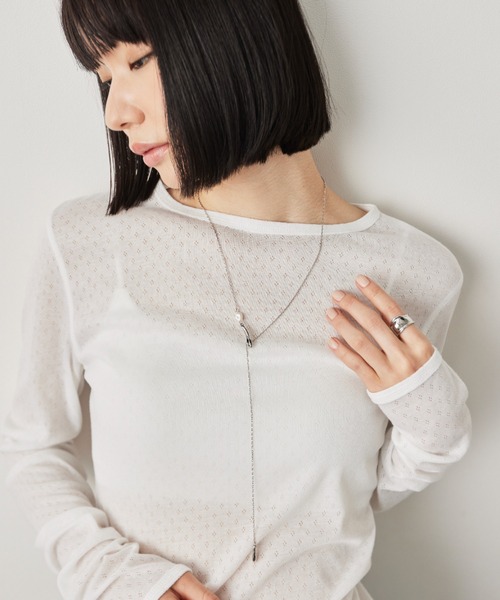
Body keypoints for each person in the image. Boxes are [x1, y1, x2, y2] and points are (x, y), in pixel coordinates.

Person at [0, 1, 471, 599]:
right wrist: (108, 573)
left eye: (138, 61)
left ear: (239, 38)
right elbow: (33, 443)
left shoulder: (413, 271)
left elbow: (363, 492)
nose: (116, 113)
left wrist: (438, 423)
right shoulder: (89, 244)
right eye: (103, 78)